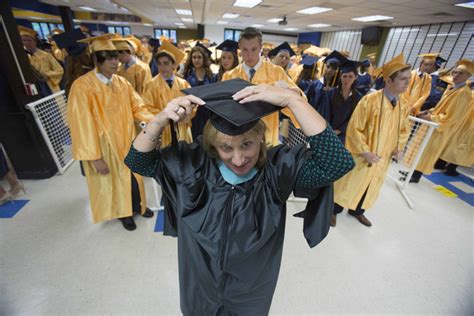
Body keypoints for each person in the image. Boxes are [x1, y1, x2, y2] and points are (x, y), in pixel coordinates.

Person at [125, 78, 354, 315]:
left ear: (261, 140)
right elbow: (137, 161)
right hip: (199, 289)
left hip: (251, 294)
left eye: (247, 145)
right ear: (214, 146)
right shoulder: (192, 169)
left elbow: (337, 163)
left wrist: (293, 101)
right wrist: (160, 119)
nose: (238, 159)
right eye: (226, 148)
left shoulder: (277, 172)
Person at [67, 34, 154, 231]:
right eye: (109, 58)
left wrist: (153, 121)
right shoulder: (82, 86)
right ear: (97, 61)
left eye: (116, 57)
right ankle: (123, 214)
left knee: (134, 176)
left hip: (128, 139)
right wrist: (94, 157)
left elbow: (137, 106)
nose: (116, 62)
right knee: (113, 179)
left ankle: (139, 206)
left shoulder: (122, 83)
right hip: (105, 145)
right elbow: (81, 124)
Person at [332, 54, 411, 227]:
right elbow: (355, 128)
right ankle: (334, 211)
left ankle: (358, 211)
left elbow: (404, 130)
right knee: (349, 182)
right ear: (388, 80)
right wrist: (364, 151)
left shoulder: (404, 105)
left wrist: (399, 148)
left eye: (409, 79)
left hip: (383, 156)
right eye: (403, 79)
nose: (407, 83)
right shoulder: (370, 101)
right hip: (362, 154)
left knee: (371, 184)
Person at [221, 27, 303, 145]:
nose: (249, 56)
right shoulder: (229, 76)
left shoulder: (276, 73)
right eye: (245, 50)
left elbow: (299, 98)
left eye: (254, 49)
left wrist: (283, 92)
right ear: (239, 47)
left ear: (261, 47)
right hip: (239, 138)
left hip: (268, 136)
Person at [410, 59, 473, 183]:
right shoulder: (452, 87)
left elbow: (451, 117)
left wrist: (430, 118)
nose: (455, 75)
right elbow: (441, 106)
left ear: (468, 76)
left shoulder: (463, 93)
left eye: (460, 73)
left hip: (439, 128)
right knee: (420, 149)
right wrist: (428, 111)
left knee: (427, 152)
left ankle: (416, 176)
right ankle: (411, 172)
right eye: (455, 72)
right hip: (432, 124)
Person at [142, 40, 192, 147]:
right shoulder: (150, 85)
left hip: (181, 127)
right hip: (162, 129)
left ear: (173, 65)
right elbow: (147, 107)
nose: (162, 67)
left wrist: (185, 114)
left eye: (166, 63)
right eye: (159, 64)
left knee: (183, 155)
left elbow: (192, 104)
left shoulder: (183, 84)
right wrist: (166, 115)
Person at [320, 58, 363, 144]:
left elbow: (355, 117)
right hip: (328, 132)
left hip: (346, 134)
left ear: (356, 77)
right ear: (340, 76)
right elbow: (325, 113)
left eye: (351, 76)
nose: (347, 80)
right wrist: (329, 130)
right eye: (345, 76)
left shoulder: (358, 98)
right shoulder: (331, 94)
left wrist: (340, 130)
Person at [183, 44, 217, 139]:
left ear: (203, 59)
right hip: (192, 114)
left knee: (207, 138)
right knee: (194, 139)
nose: (196, 60)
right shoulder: (187, 76)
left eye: (199, 57)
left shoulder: (211, 76)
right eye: (194, 57)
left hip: (207, 113)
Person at [18, 26, 64, 94]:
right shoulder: (22, 57)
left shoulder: (46, 55)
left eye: (29, 40)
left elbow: (60, 70)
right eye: (23, 40)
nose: (26, 43)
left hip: (50, 86)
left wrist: (47, 74)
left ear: (35, 42)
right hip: (35, 89)